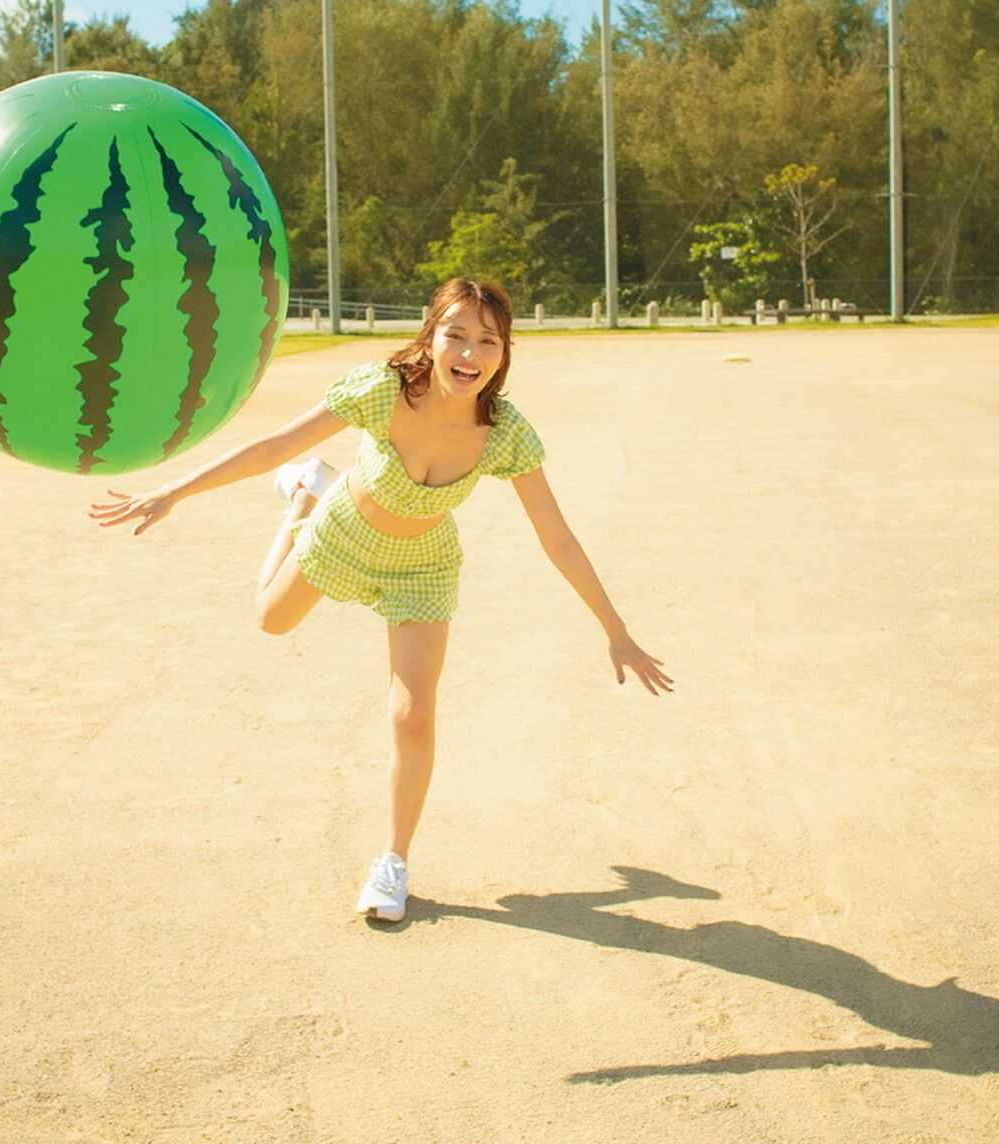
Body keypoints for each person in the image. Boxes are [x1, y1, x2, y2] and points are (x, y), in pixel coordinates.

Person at [90, 275, 672, 923]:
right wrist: (173, 492)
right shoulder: (384, 391)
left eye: (488, 341)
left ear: (504, 352)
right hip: (345, 530)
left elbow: (556, 537)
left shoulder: (504, 433)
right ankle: (304, 497)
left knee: (413, 714)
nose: (470, 353)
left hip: (421, 564)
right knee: (270, 619)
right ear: (431, 335)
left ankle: (392, 862)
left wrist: (615, 629)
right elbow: (275, 445)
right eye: (456, 334)